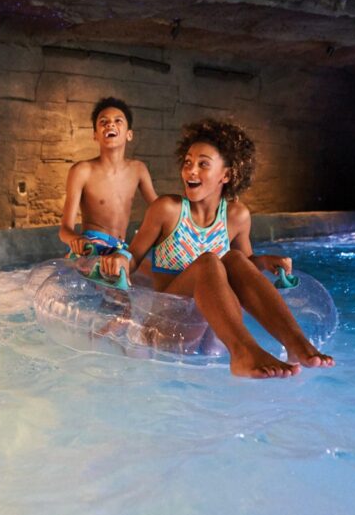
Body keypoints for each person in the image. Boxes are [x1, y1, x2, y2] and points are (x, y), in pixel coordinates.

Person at [100, 119, 335, 379]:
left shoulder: (236, 216)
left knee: (233, 259)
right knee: (210, 262)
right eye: (188, 162)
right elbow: (133, 258)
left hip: (211, 335)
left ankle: (295, 344)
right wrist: (120, 259)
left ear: (226, 175)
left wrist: (265, 262)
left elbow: (244, 268)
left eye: (203, 164)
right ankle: (244, 352)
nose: (191, 171)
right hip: (170, 326)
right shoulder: (167, 209)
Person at [58, 97, 157, 258]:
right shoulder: (82, 171)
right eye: (103, 122)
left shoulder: (138, 169)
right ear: (95, 135)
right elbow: (64, 230)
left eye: (118, 121)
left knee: (154, 277)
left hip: (120, 248)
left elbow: (159, 208)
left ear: (129, 134)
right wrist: (76, 240)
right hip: (91, 247)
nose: (110, 124)